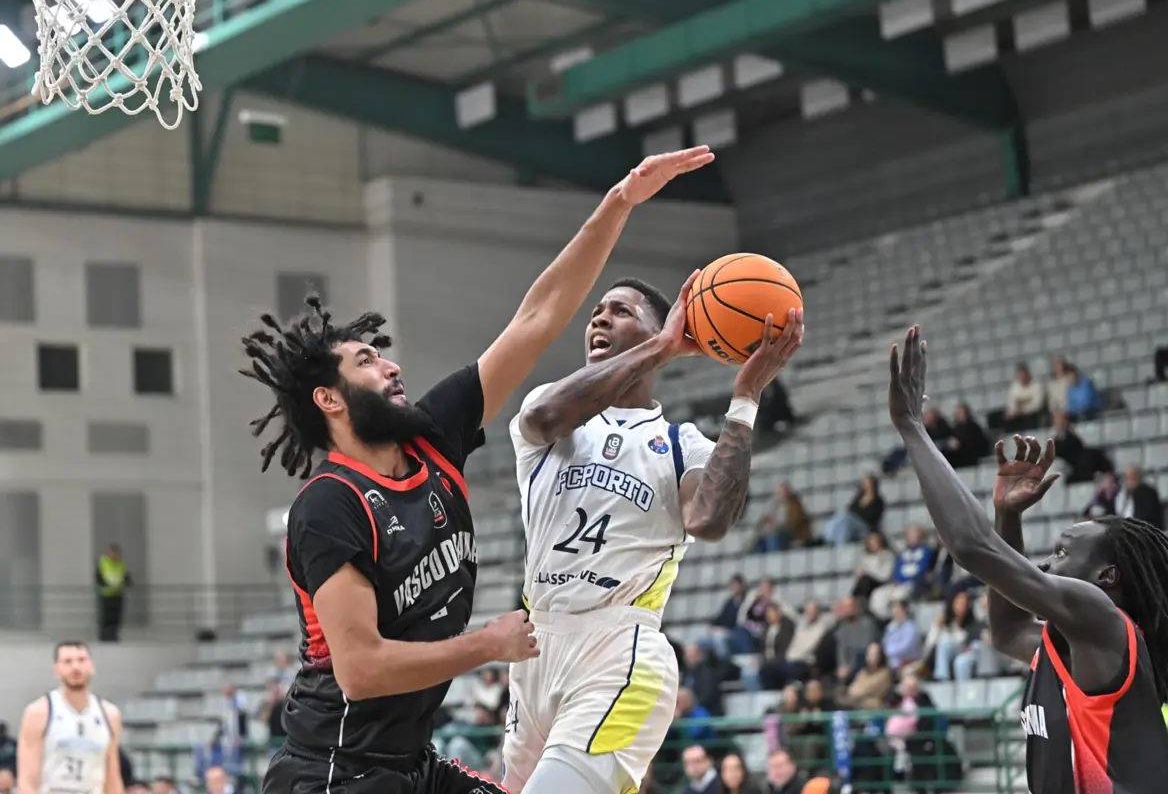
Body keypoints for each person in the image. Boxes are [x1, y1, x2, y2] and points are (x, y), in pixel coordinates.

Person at [246, 146, 718, 794]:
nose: (390, 367)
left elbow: (537, 317)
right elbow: (361, 670)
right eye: (366, 361)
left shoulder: (433, 437)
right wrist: (486, 646)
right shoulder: (329, 505)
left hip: (412, 763)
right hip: (336, 770)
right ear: (329, 399)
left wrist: (621, 202)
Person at [502, 271, 803, 794]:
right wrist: (663, 348)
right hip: (534, 649)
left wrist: (746, 398)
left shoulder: (683, 444)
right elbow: (546, 414)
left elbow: (709, 521)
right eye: (598, 310)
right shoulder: (556, 409)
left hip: (619, 651)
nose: (599, 317)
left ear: (665, 328)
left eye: (621, 311)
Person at [888, 325, 1168, 794]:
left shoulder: (1103, 620)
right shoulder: (1071, 644)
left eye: (1063, 552)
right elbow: (1007, 630)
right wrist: (1007, 516)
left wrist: (913, 427)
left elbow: (972, 549)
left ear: (1106, 577)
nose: (1048, 564)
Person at [16, 641, 123, 794]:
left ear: (92, 666)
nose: (75, 667)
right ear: (56, 669)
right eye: (67, 661)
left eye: (81, 660)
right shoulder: (39, 712)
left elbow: (112, 776)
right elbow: (26, 780)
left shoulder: (110, 714)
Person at [95, 545, 130, 642]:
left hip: (118, 594)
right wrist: (106, 585)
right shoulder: (103, 563)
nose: (114, 555)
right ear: (108, 553)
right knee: (106, 616)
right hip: (106, 594)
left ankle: (113, 635)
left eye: (116, 554)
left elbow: (125, 575)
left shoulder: (120, 564)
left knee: (116, 617)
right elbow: (99, 577)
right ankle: (104, 635)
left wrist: (127, 583)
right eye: (113, 553)